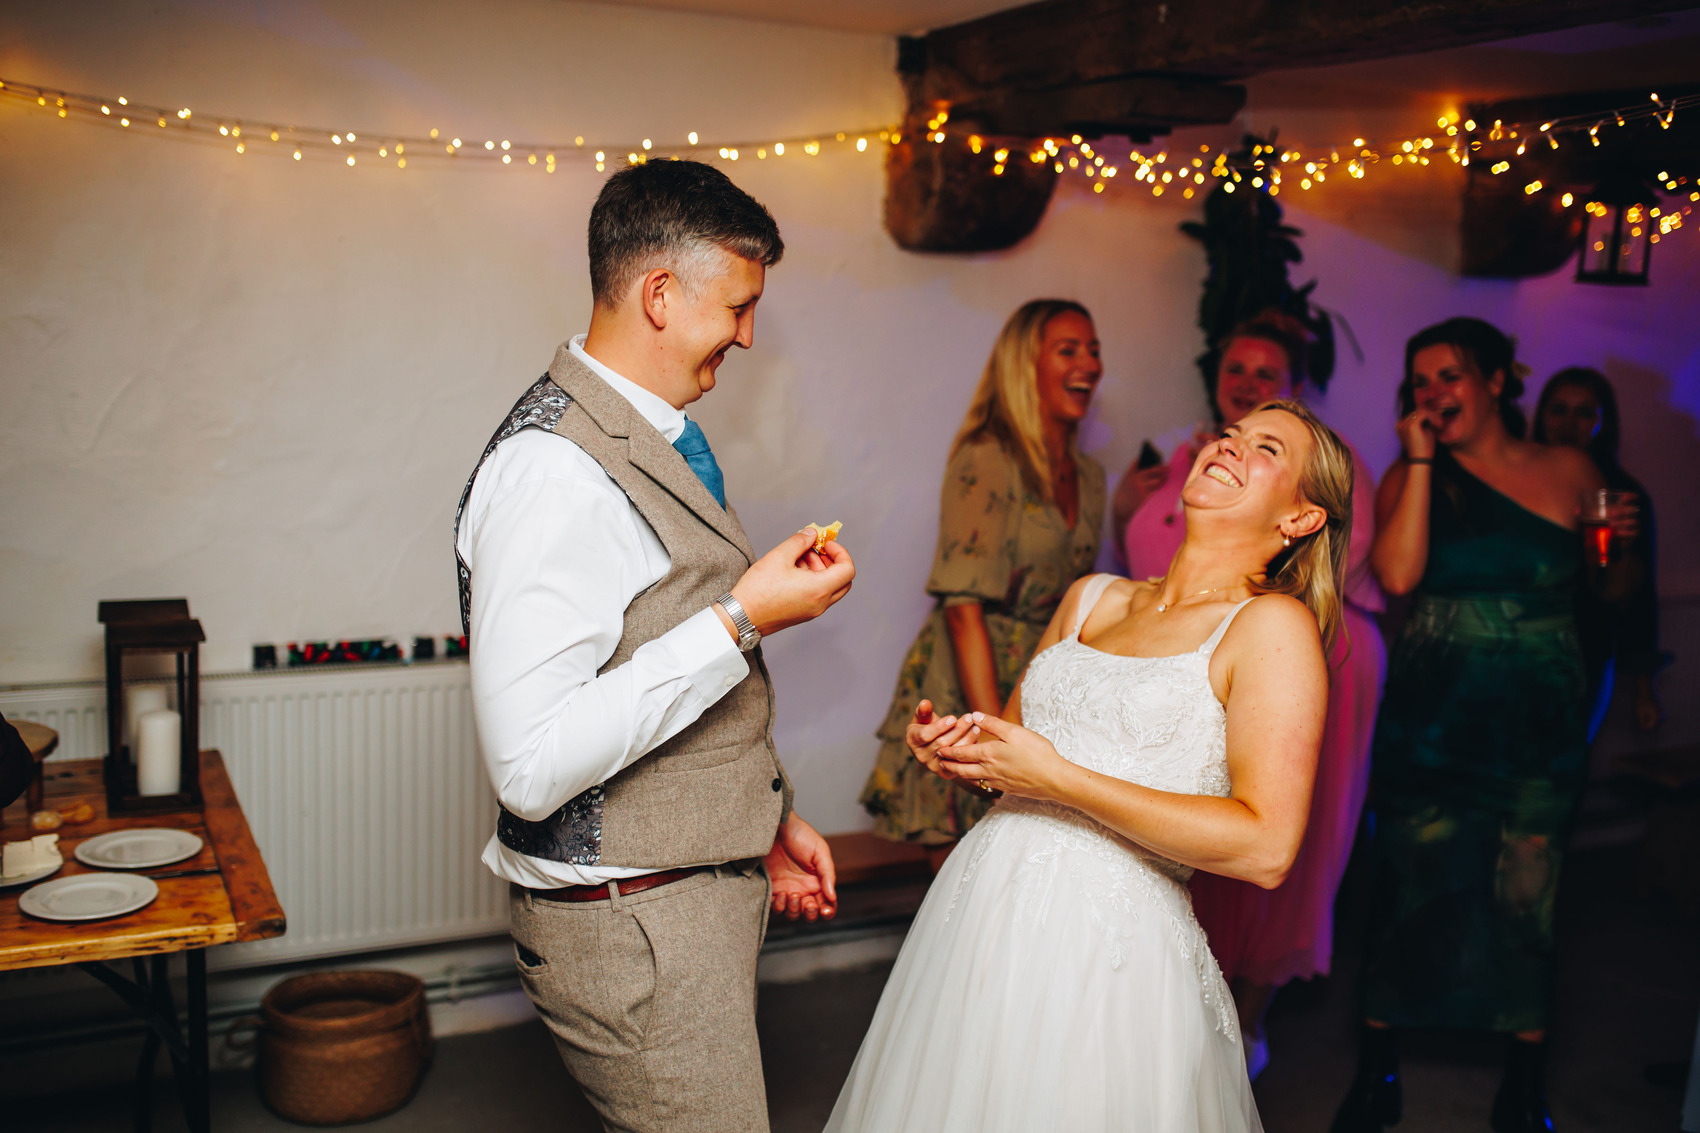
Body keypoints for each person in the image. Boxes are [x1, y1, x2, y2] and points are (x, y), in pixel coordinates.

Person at [454, 159, 853, 1133]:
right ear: (660, 295)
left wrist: (760, 811)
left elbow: (646, 647)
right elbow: (533, 762)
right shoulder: (554, 473)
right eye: (739, 305)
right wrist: (743, 616)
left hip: (675, 897)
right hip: (634, 927)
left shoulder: (642, 437)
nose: (749, 335)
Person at [829, 400, 1354, 1132]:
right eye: (1230, 434)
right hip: (983, 914)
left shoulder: (1270, 627)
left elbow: (1266, 847)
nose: (1230, 447)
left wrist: (1058, 778)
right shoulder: (1091, 596)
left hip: (1113, 950)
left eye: (1267, 449)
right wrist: (961, 751)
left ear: (1301, 519)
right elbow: (1014, 753)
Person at [1333, 319, 1636, 1133]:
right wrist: (1423, 460)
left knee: (1528, 897)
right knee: (1404, 886)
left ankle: (1524, 1082)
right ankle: (1376, 1071)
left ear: (1498, 380)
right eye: (1420, 379)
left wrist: (1619, 555)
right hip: (1432, 716)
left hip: (1537, 719)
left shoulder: (1571, 468)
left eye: (1450, 375)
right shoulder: (1411, 473)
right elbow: (1396, 575)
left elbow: (1608, 595)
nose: (1433, 393)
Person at [1114, 313, 1386, 1078]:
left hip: (1294, 656)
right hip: (1173, 657)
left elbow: (1328, 568)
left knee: (1271, 835)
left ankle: (1238, 1025)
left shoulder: (1325, 471)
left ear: (1295, 384)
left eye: (1266, 374)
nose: (1248, 385)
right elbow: (1141, 554)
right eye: (1237, 372)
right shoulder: (1185, 458)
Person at [860, 300, 1106, 869]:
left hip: (1039, 677)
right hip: (969, 680)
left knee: (1029, 871)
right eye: (1068, 350)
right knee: (964, 883)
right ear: (1025, 365)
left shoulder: (1091, 475)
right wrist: (994, 733)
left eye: (1094, 350)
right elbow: (962, 609)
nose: (1089, 365)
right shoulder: (988, 457)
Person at [1533, 366, 1662, 736]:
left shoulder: (1619, 493)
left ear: (1603, 423)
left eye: (1585, 413)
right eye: (1558, 410)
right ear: (1542, 415)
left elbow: (1640, 600)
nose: (1569, 423)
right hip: (1515, 649)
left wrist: (1644, 690)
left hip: (1586, 650)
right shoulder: (1518, 483)